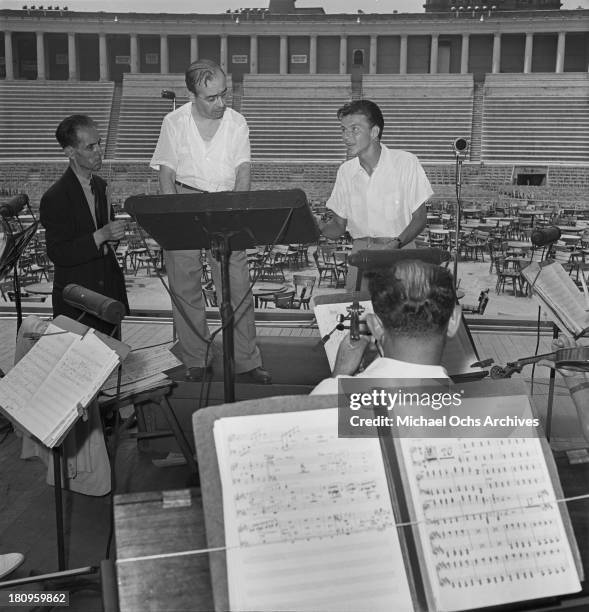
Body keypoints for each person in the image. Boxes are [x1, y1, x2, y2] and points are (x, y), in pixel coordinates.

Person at [150, 59, 270, 384]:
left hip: (225, 204)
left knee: (237, 286)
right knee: (185, 286)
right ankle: (196, 358)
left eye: (223, 94)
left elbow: (243, 172)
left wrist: (237, 210)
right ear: (192, 95)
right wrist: (173, 218)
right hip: (184, 202)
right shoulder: (173, 122)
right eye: (211, 97)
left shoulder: (237, 123)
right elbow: (166, 174)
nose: (220, 103)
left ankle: (246, 361)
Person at [316, 99, 433, 290]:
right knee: (359, 315)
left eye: (354, 129)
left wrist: (395, 244)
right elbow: (337, 228)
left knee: (401, 316)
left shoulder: (406, 163)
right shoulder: (345, 172)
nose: (346, 136)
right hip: (361, 256)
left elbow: (419, 219)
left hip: (400, 252)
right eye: (343, 130)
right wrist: (316, 224)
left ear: (374, 132)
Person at [312, 259, 460, 394]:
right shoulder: (478, 412)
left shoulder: (328, 394)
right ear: (454, 319)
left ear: (375, 326)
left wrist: (338, 375)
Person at [40, 115, 129, 335]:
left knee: (113, 362)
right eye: (90, 147)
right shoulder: (55, 197)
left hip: (107, 296)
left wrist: (113, 236)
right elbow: (58, 253)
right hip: (76, 302)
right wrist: (101, 235)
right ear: (70, 152)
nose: (99, 151)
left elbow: (106, 240)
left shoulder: (100, 185)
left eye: (99, 143)